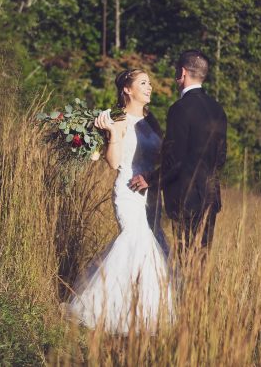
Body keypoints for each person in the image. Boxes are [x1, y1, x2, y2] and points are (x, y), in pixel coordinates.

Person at [65, 69, 173, 333]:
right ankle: (112, 313)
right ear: (127, 89)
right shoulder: (118, 119)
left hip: (151, 193)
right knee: (139, 245)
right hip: (128, 191)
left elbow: (160, 157)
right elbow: (113, 162)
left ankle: (139, 316)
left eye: (150, 83)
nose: (150, 87)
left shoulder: (151, 121)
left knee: (151, 247)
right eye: (143, 83)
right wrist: (112, 133)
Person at [130, 50, 227, 259]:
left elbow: (175, 161)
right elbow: (221, 158)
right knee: (201, 263)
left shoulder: (179, 109)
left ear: (182, 73)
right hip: (210, 197)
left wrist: (150, 179)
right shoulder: (217, 109)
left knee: (186, 262)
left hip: (186, 200)